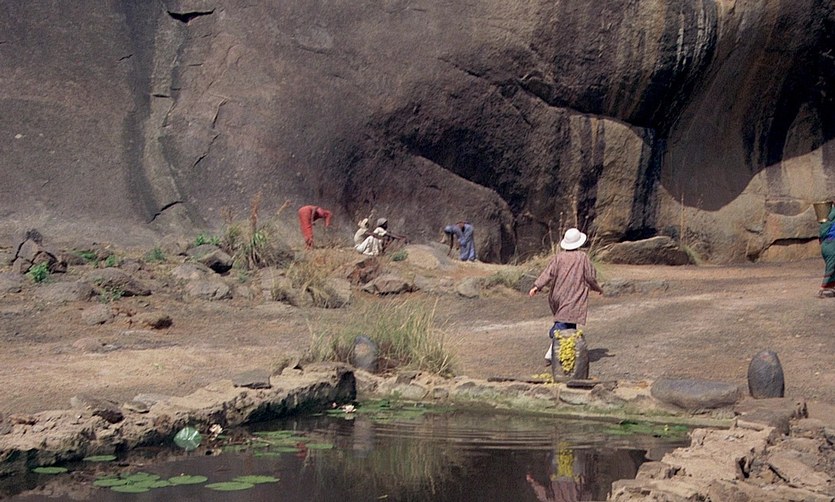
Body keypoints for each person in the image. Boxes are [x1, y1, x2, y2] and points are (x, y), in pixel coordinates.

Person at [529, 228, 603, 366]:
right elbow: (589, 276)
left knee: (569, 323)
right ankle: (553, 346)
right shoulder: (582, 257)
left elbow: (548, 273)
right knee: (563, 323)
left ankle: (564, 352)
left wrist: (537, 286)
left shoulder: (559, 257)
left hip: (558, 293)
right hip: (574, 294)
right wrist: (596, 287)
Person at [818, 205, 835, 298]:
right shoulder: (831, 218)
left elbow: (822, 233)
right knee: (831, 267)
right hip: (831, 245)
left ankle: (831, 286)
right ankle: (822, 288)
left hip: (826, 245)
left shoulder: (827, 219)